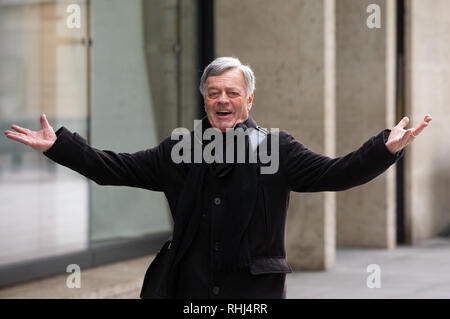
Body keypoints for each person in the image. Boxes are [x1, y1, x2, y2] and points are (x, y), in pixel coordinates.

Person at [4, 57, 432, 299]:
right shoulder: (179, 148)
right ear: (204, 99)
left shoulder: (276, 147)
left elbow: (336, 173)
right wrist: (60, 145)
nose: (222, 100)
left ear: (248, 99)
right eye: (213, 92)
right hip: (189, 290)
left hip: (253, 293)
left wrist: (385, 147)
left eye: (231, 92)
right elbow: (114, 168)